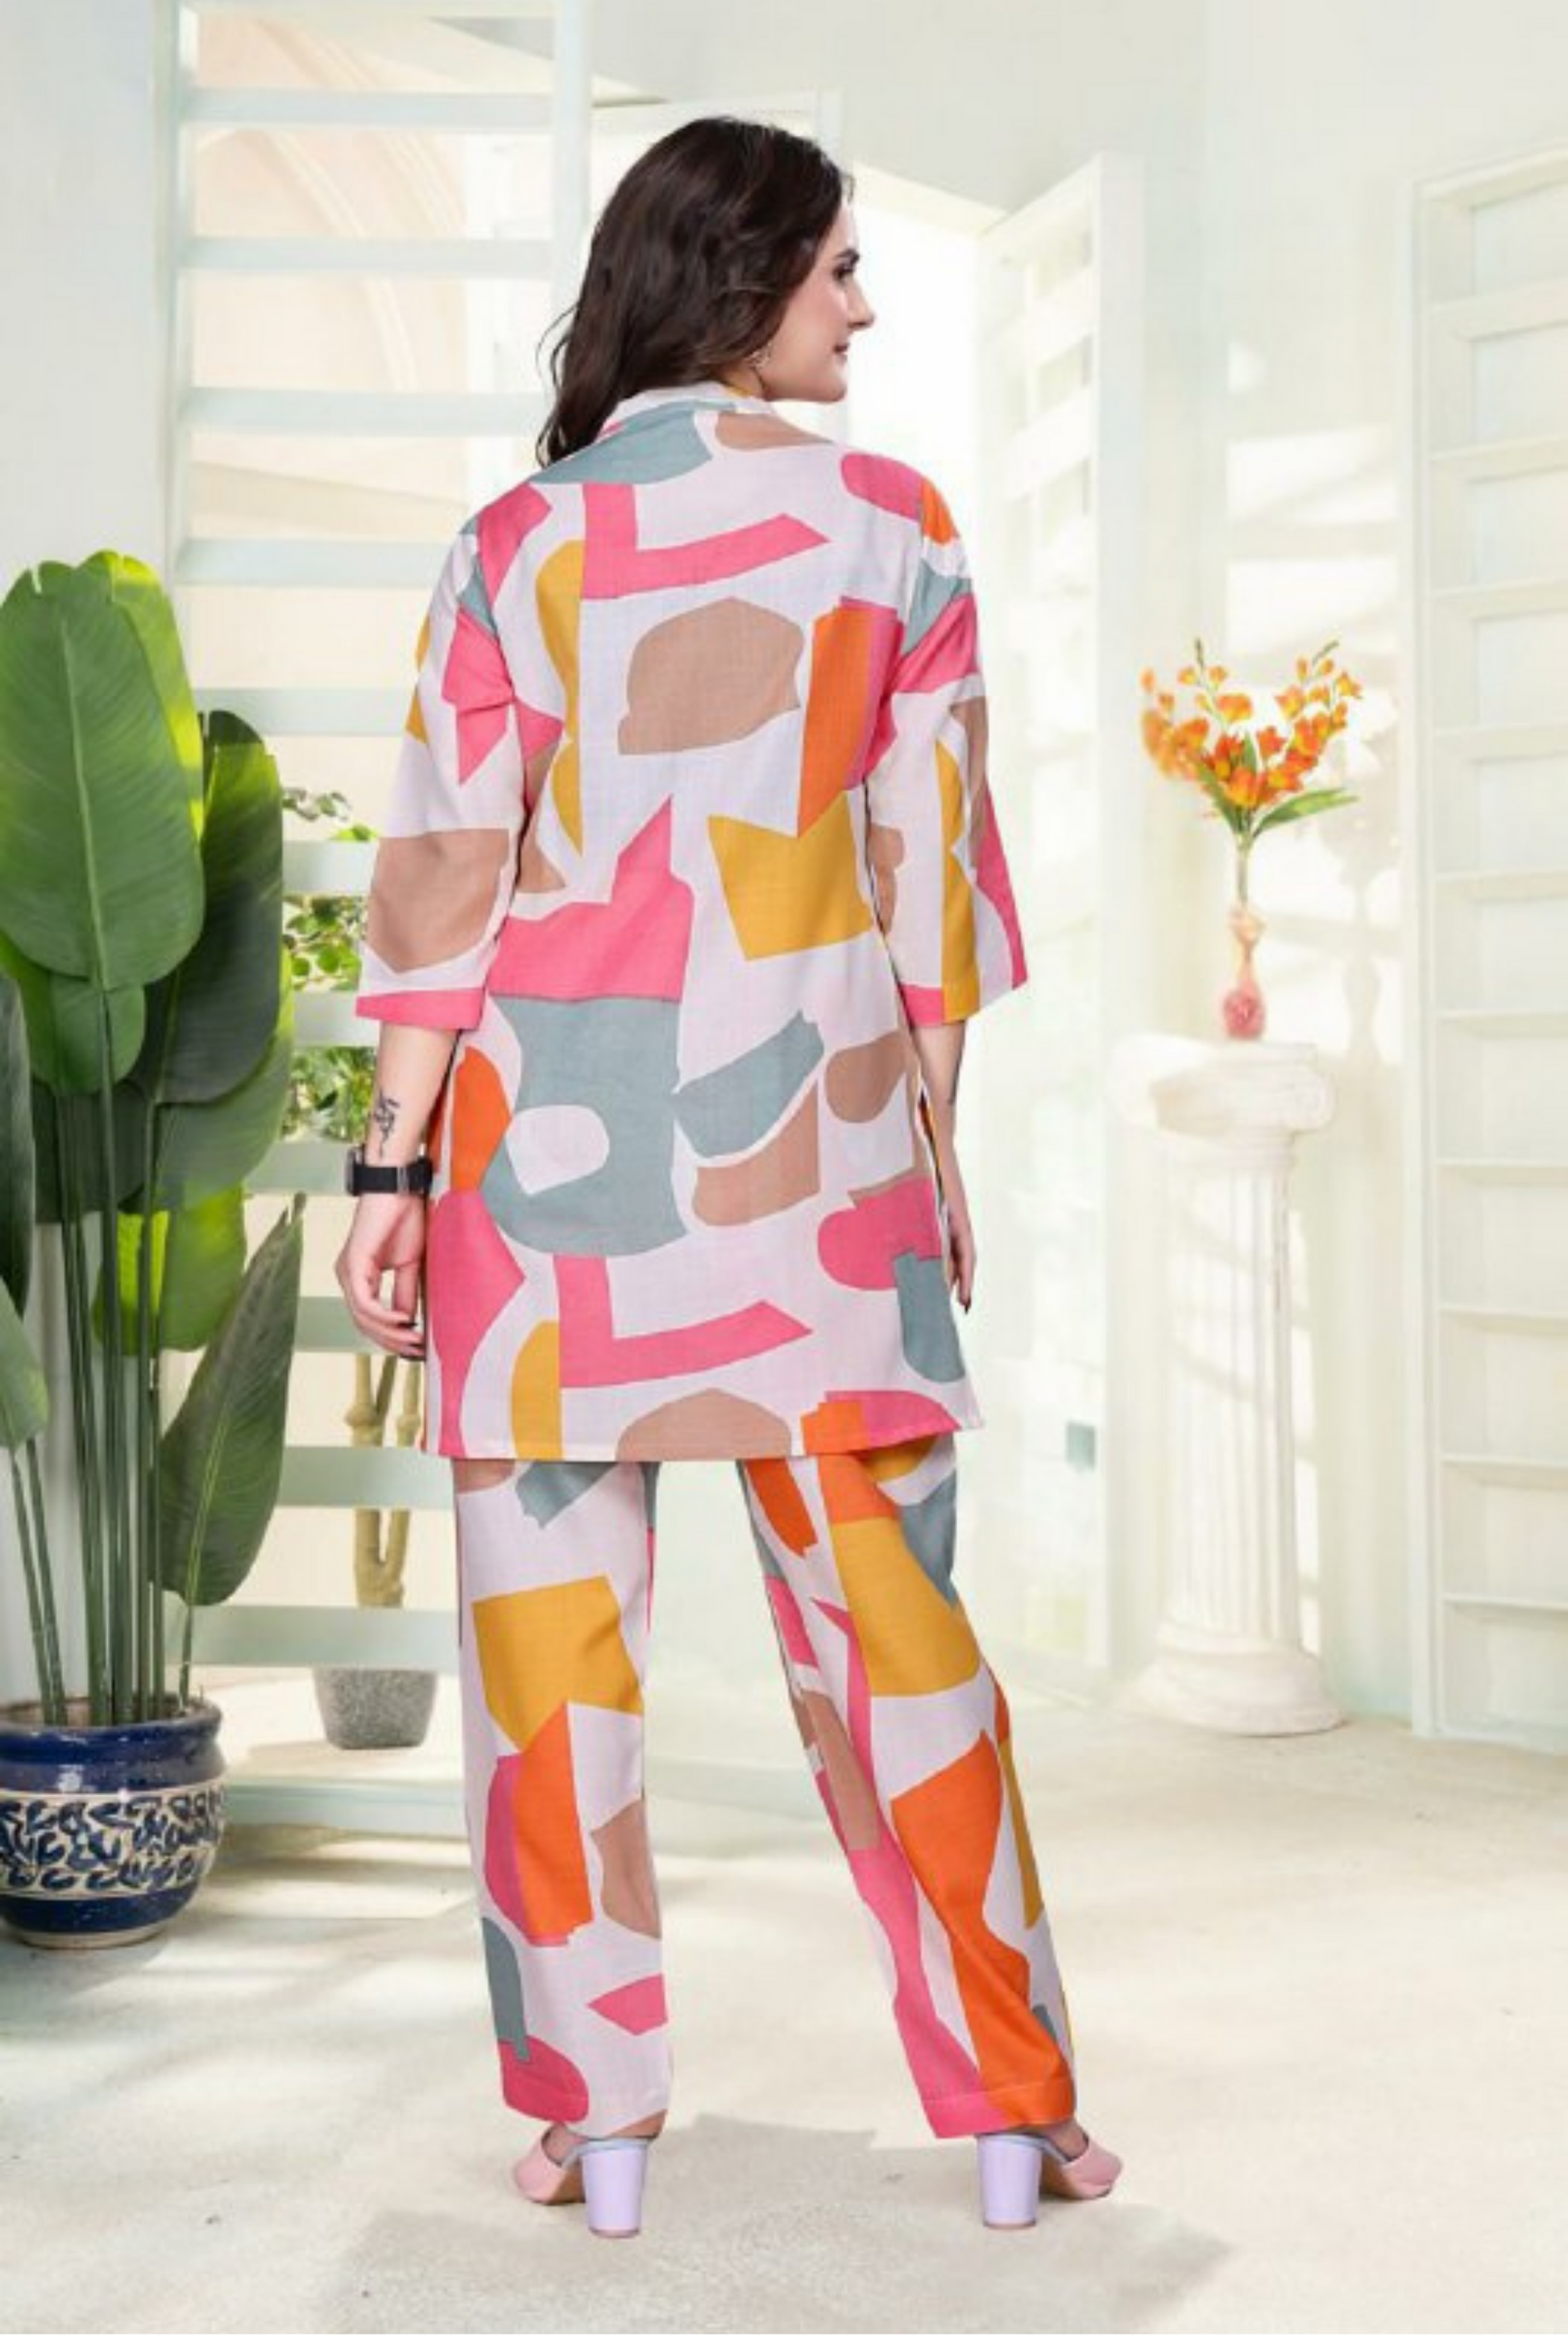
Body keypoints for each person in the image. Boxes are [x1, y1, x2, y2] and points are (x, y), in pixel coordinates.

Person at [334, 114, 1122, 2239]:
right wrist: (933, 1152)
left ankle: (591, 2117)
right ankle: (1012, 2104)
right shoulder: (896, 528)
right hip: (819, 1170)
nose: (864, 305)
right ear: (742, 274)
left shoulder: (519, 541)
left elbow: (444, 881)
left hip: (545, 1185)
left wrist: (389, 1167)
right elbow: (931, 890)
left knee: (546, 1680)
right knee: (907, 1659)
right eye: (840, 265)